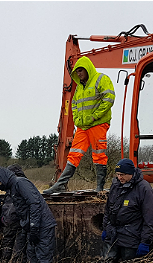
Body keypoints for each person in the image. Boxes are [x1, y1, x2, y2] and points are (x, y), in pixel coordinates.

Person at [44, 56, 115, 194]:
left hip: (98, 124)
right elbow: (74, 105)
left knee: (99, 154)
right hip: (83, 127)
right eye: (77, 72)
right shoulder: (78, 88)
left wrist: (95, 116)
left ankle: (99, 187)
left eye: (81, 70)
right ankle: (60, 184)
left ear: (87, 69)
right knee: (73, 155)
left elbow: (109, 98)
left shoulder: (101, 79)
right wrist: (77, 120)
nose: (79, 73)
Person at [0, 166, 56, 263]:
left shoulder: (20, 183)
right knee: (31, 259)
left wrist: (34, 226)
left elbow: (35, 204)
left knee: (42, 259)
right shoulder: (12, 188)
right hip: (32, 228)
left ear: (2, 177)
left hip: (43, 227)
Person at [101, 158, 153, 263]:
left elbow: (151, 217)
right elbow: (108, 209)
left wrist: (145, 241)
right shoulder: (116, 185)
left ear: (131, 173)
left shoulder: (143, 188)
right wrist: (105, 228)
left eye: (122, 174)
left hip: (131, 237)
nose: (119, 177)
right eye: (118, 174)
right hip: (112, 235)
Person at [0, 164, 28, 263]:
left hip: (18, 225)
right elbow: (7, 206)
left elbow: (19, 207)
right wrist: (2, 217)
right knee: (6, 250)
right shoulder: (10, 188)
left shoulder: (20, 185)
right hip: (8, 224)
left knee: (18, 251)